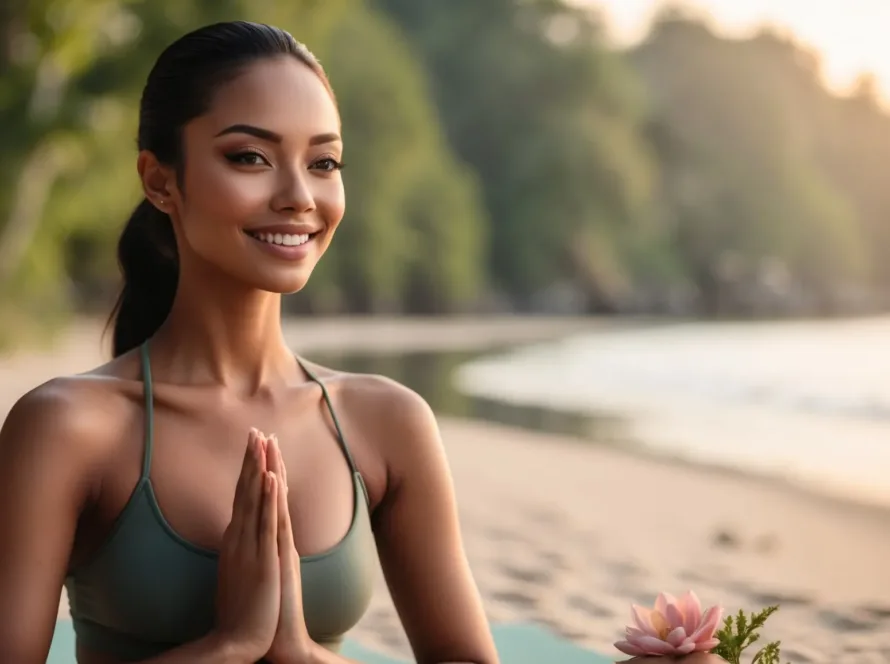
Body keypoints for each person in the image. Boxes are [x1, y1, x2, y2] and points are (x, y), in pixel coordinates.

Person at [0, 20, 727, 664]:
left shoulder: (384, 422)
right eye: (250, 157)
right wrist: (229, 648)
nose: (299, 196)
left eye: (324, 162)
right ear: (161, 181)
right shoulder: (70, 427)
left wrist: (304, 657)